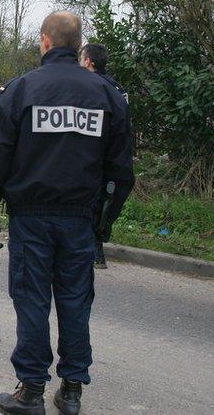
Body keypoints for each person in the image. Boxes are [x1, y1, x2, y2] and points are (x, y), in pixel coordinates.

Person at [0, 11, 135, 415]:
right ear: (79, 45)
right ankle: (73, 390)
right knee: (75, 300)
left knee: (31, 299)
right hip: (80, 219)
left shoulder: (20, 90)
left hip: (32, 217)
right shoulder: (107, 95)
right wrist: (104, 221)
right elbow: (121, 171)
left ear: (45, 41)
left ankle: (31, 391)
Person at [79, 43, 129, 269]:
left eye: (82, 58)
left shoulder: (86, 86)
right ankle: (97, 244)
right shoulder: (117, 89)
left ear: (88, 61)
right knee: (106, 200)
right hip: (112, 154)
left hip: (89, 153)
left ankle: (91, 247)